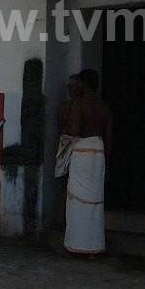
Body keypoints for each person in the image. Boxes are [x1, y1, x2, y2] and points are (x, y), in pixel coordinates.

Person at [61, 68, 112, 256]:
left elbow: (74, 129)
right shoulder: (104, 107)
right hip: (99, 152)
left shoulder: (79, 104)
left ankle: (77, 244)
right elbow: (109, 138)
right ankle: (93, 246)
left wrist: (66, 130)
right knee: (95, 200)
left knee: (77, 198)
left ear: (83, 83)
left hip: (83, 151)